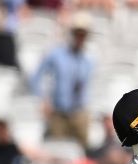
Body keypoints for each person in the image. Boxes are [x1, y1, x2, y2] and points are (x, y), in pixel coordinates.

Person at [29, 11, 94, 148]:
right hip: (58, 112)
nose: (79, 38)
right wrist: (43, 100)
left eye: (83, 34)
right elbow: (36, 77)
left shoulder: (88, 59)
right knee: (58, 150)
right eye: (77, 33)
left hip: (79, 112)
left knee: (84, 150)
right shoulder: (56, 54)